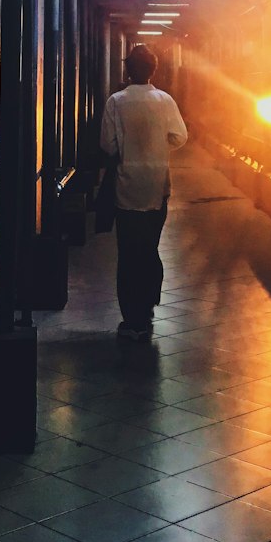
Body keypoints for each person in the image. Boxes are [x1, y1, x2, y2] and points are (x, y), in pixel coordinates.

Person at [100, 44, 188, 341]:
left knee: (128, 253)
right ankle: (148, 305)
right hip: (156, 186)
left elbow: (107, 145)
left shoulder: (116, 101)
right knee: (150, 249)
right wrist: (159, 148)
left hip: (127, 187)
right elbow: (180, 136)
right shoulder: (165, 100)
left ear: (128, 69)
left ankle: (131, 318)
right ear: (154, 70)